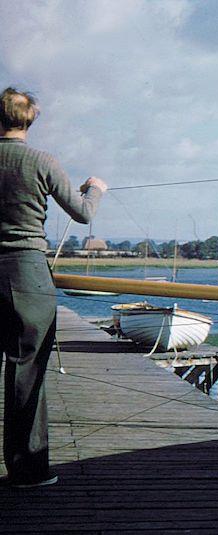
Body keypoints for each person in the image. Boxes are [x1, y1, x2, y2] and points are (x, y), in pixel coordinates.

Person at [0, 87, 107, 488]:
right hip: (27, 274)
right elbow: (82, 213)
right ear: (29, 121)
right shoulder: (41, 161)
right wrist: (95, 188)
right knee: (26, 370)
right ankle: (27, 471)